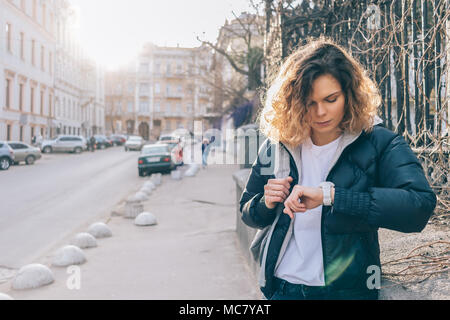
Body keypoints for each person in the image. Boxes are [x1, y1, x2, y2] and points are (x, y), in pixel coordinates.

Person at [239, 38, 436, 300]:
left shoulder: (379, 141)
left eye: (330, 99)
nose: (320, 112)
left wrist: (331, 196)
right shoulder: (280, 144)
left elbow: (419, 206)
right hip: (284, 288)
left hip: (347, 292)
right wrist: (266, 202)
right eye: (309, 103)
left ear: (349, 93)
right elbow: (247, 212)